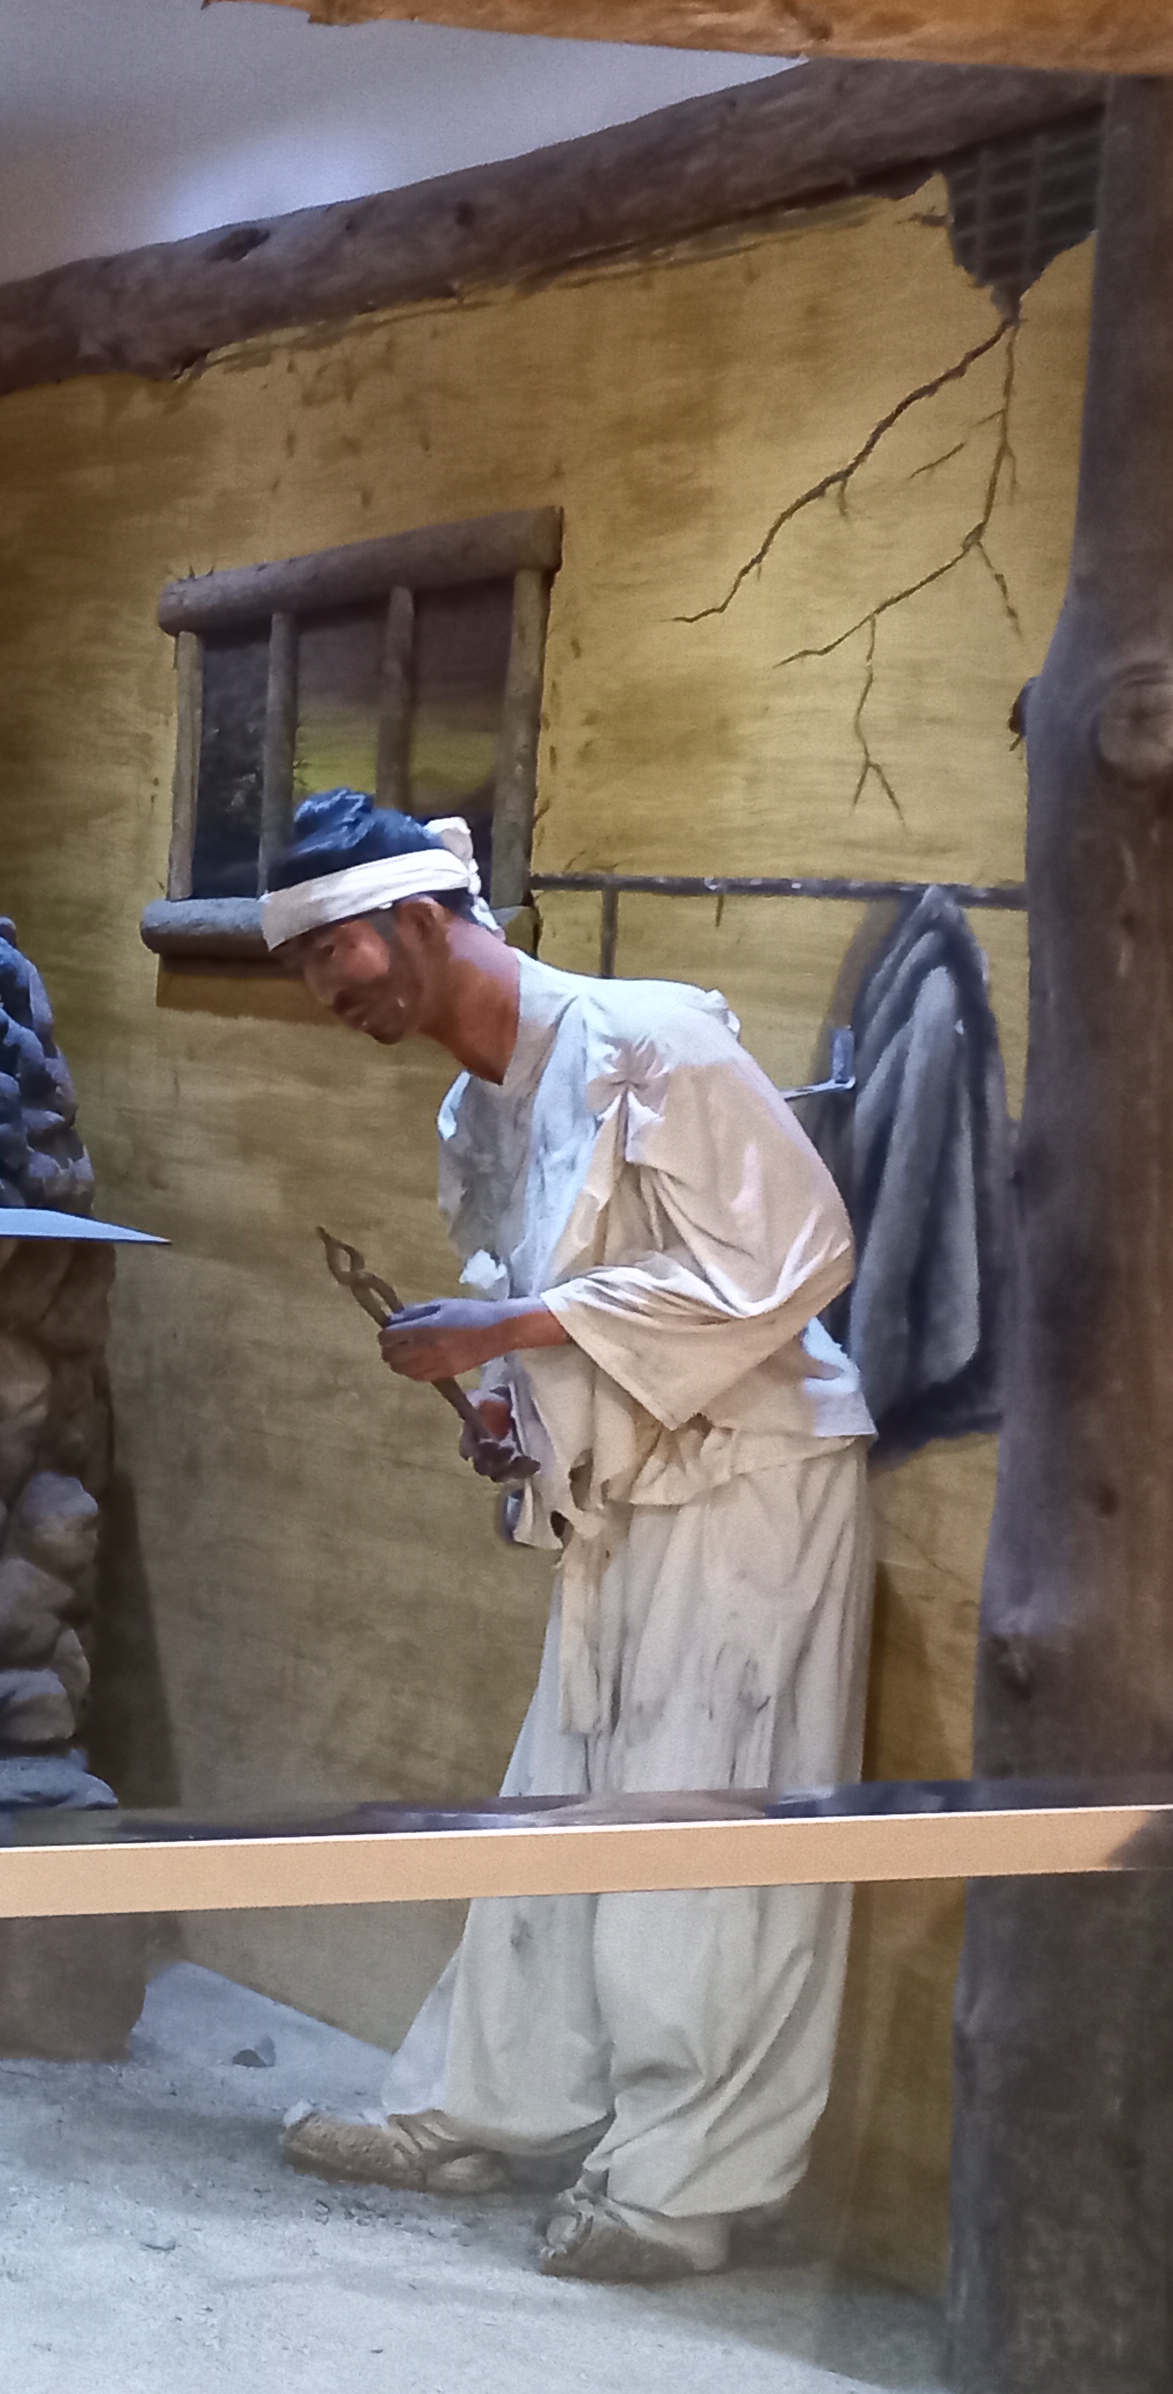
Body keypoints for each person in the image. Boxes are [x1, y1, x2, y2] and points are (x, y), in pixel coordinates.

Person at [257, 789, 874, 2283]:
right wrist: (506, 1410)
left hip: (747, 1486)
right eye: (305, 965)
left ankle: (681, 2189)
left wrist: (510, 1329)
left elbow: (796, 1258)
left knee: (699, 1834)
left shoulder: (648, 1042)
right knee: (552, 1815)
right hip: (617, 1495)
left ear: (422, 918)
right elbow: (547, 1312)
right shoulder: (479, 1109)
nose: (326, 988)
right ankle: (492, 2110)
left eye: (335, 950)